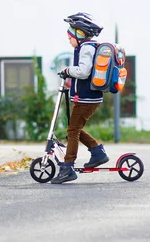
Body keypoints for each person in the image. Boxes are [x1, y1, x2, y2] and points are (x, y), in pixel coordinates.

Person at [50, 12, 110, 184]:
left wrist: (68, 71)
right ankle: (97, 152)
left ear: (79, 34)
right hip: (88, 97)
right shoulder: (88, 47)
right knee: (74, 128)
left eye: (70, 37)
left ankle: (68, 167)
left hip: (87, 98)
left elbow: (83, 72)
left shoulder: (86, 48)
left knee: (72, 131)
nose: (69, 41)